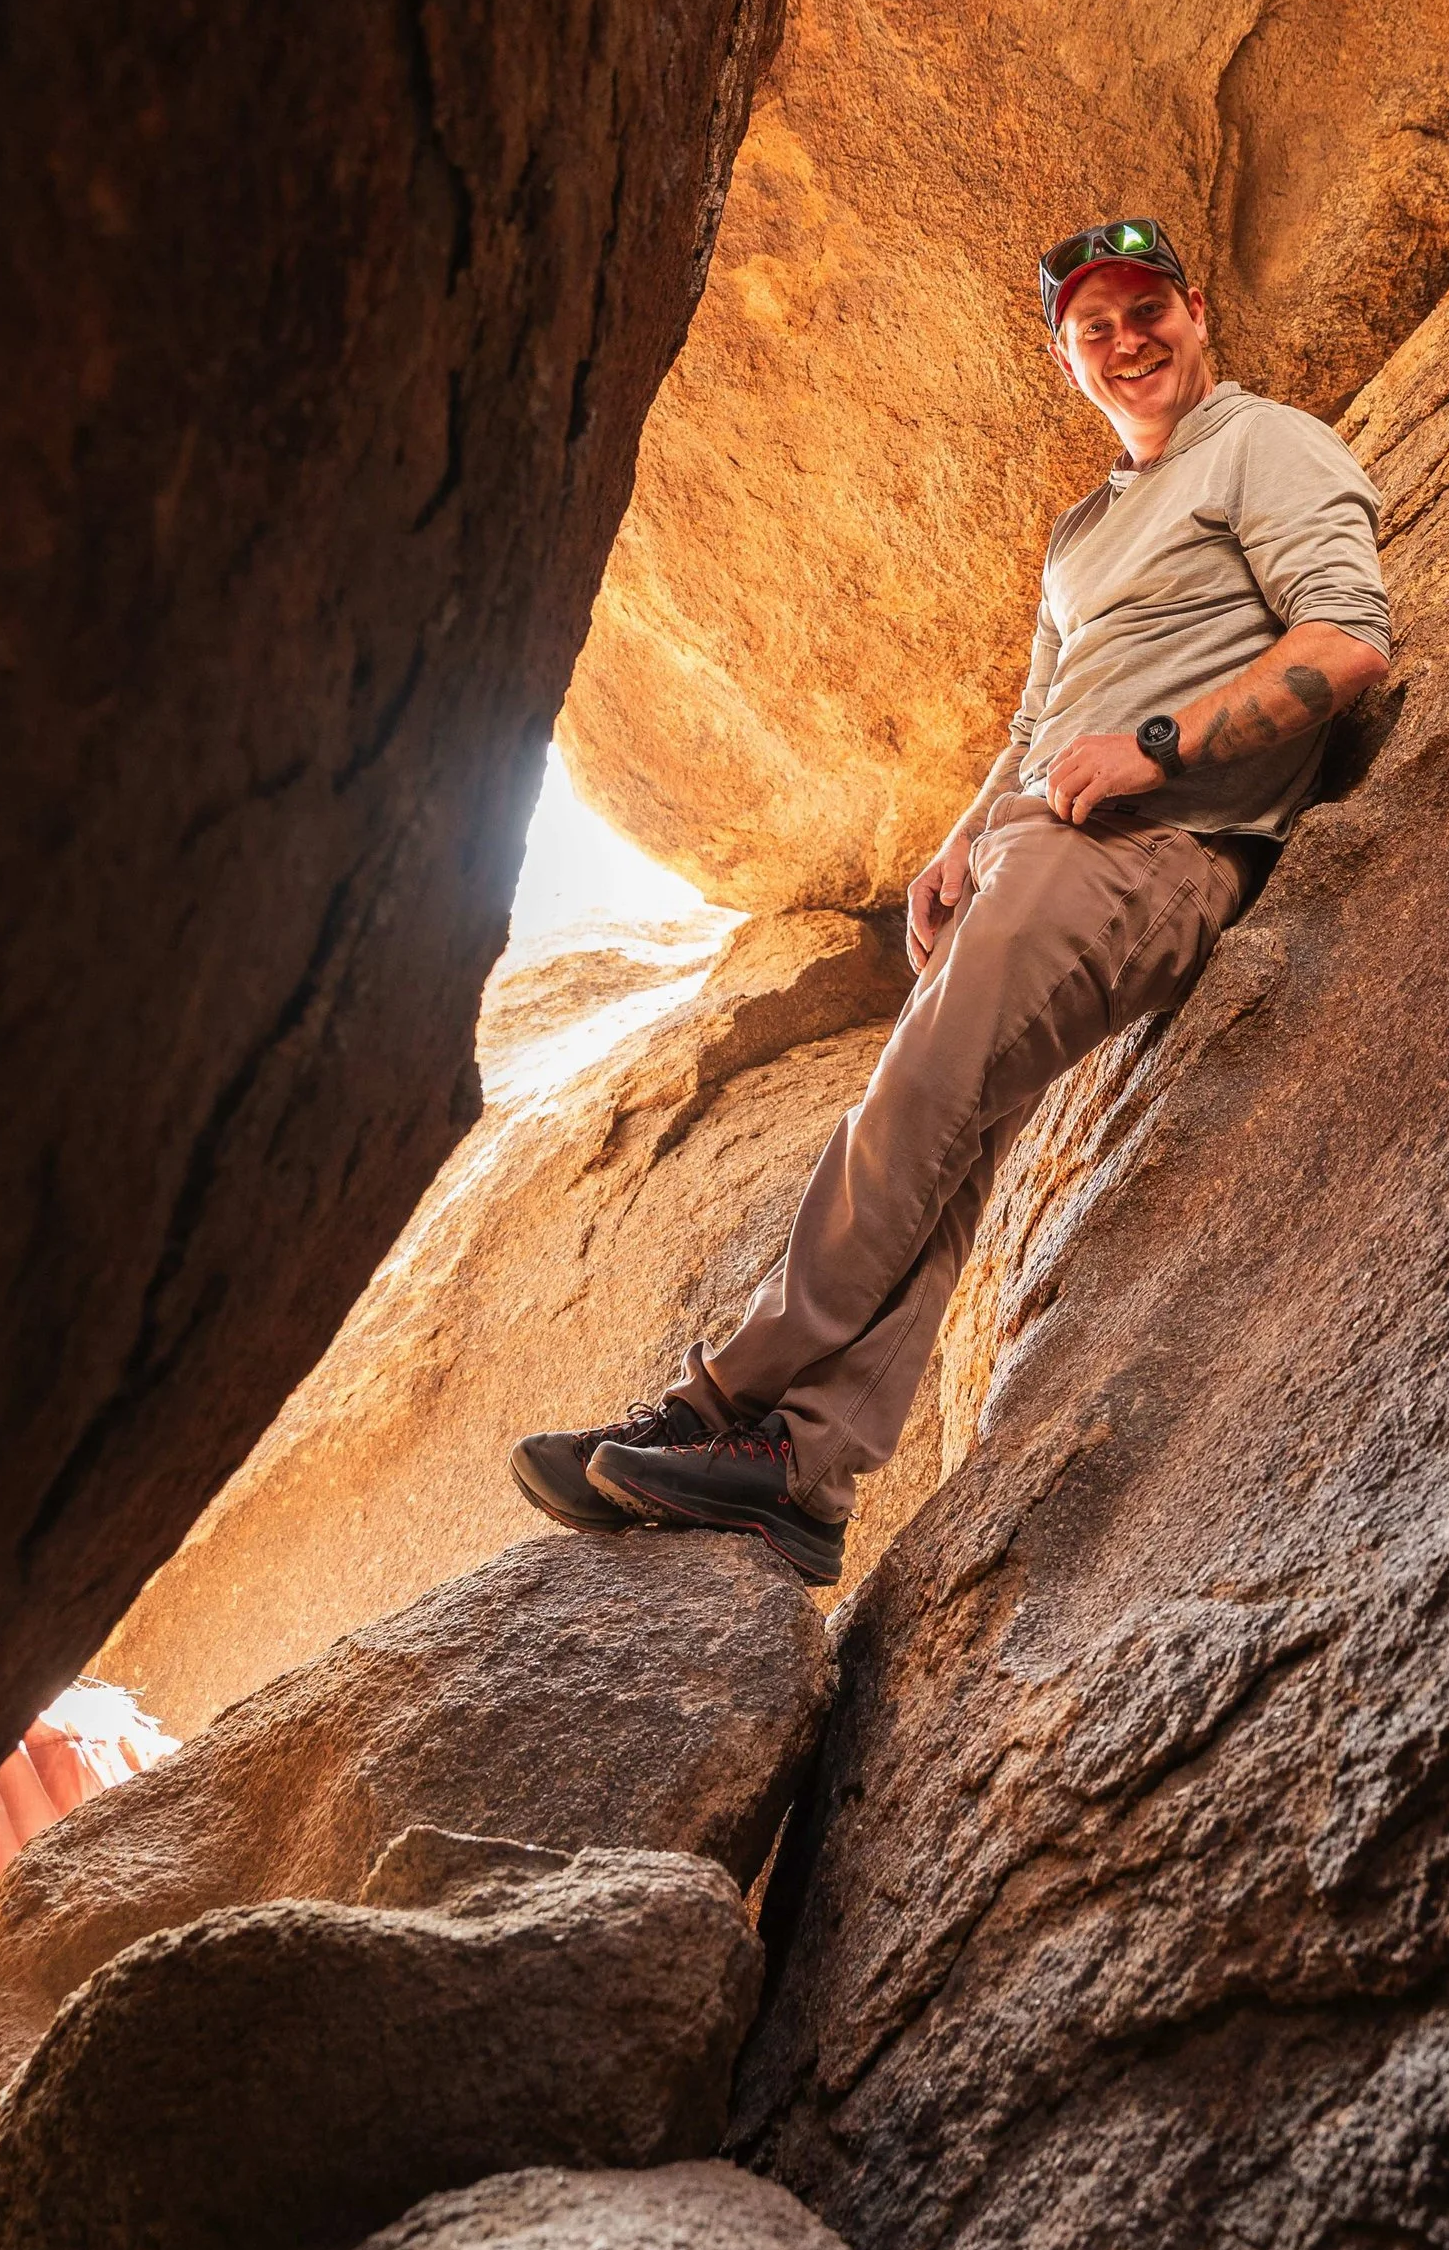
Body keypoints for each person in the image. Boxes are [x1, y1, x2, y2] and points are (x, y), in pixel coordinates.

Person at [510, 217, 1392, 1585]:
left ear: (1197, 312)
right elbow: (1040, 718)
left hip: (1155, 843)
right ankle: (800, 1475)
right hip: (1043, 845)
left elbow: (1347, 641)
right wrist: (959, 838)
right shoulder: (1084, 529)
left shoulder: (1263, 443)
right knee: (952, 1146)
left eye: (1147, 308)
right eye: (1094, 327)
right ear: (1066, 361)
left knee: (912, 1100)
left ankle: (713, 1407)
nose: (1127, 339)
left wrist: (1155, 746)